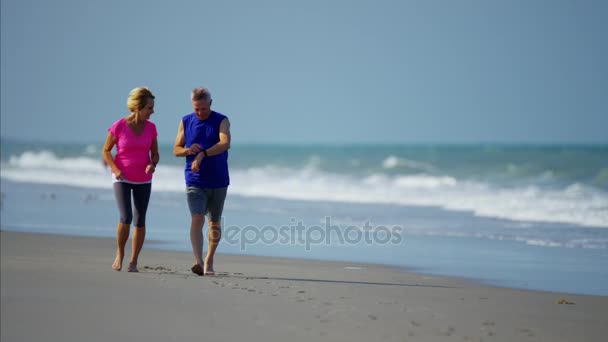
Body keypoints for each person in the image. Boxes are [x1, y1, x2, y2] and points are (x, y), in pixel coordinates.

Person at [174, 87, 231, 276]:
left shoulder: (221, 120)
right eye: (196, 109)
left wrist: (203, 154)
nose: (200, 112)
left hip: (218, 180)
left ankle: (209, 258)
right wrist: (188, 150)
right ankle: (198, 261)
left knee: (214, 224)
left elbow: (225, 143)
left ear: (211, 104)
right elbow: (176, 149)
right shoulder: (186, 121)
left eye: (203, 109)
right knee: (197, 217)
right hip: (194, 180)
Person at [102, 87, 159, 273]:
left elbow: (155, 153)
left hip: (144, 178)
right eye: (149, 108)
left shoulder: (151, 128)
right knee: (125, 217)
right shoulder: (119, 126)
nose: (152, 111)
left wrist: (152, 164)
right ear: (138, 107)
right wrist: (116, 169)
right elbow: (106, 151)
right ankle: (120, 254)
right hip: (122, 177)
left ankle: (134, 261)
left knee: (140, 220)